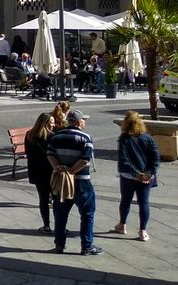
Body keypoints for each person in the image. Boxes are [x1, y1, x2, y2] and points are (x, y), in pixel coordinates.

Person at [48, 108, 102, 255]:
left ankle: (59, 245)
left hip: (62, 181)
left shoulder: (55, 137)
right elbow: (84, 160)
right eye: (84, 120)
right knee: (87, 214)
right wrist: (72, 171)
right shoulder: (86, 138)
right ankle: (87, 246)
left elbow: (50, 155)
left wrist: (59, 169)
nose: (85, 122)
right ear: (79, 122)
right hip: (82, 182)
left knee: (60, 214)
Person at [114, 110, 160, 242]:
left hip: (128, 176)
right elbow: (155, 158)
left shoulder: (124, 138)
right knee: (144, 203)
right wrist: (149, 173)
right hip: (146, 177)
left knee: (125, 201)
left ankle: (122, 224)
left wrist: (135, 173)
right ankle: (143, 231)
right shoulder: (148, 138)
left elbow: (124, 159)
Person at [25, 112, 57, 233]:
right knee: (56, 199)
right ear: (45, 124)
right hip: (51, 171)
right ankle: (59, 225)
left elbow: (28, 153)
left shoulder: (29, 135)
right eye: (51, 123)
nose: (53, 126)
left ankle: (46, 225)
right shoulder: (52, 137)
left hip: (37, 172)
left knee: (43, 199)